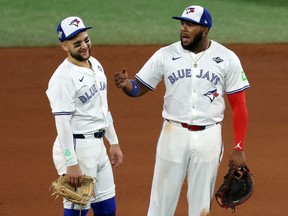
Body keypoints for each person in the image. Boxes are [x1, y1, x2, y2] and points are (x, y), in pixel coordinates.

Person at [114, 5, 249, 216]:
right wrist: (126, 85)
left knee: (201, 205)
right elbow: (139, 86)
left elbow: (239, 105)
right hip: (173, 134)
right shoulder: (165, 55)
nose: (184, 29)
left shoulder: (227, 58)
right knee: (160, 204)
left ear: (205, 29)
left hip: (209, 138)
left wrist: (239, 146)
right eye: (182, 24)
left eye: (191, 25)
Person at [46, 16, 123, 216]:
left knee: (107, 209)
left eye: (86, 40)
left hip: (98, 146)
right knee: (78, 211)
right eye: (77, 43)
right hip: (77, 148)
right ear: (64, 46)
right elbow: (62, 123)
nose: (84, 46)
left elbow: (103, 108)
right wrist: (71, 163)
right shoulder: (63, 78)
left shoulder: (95, 65)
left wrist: (113, 141)